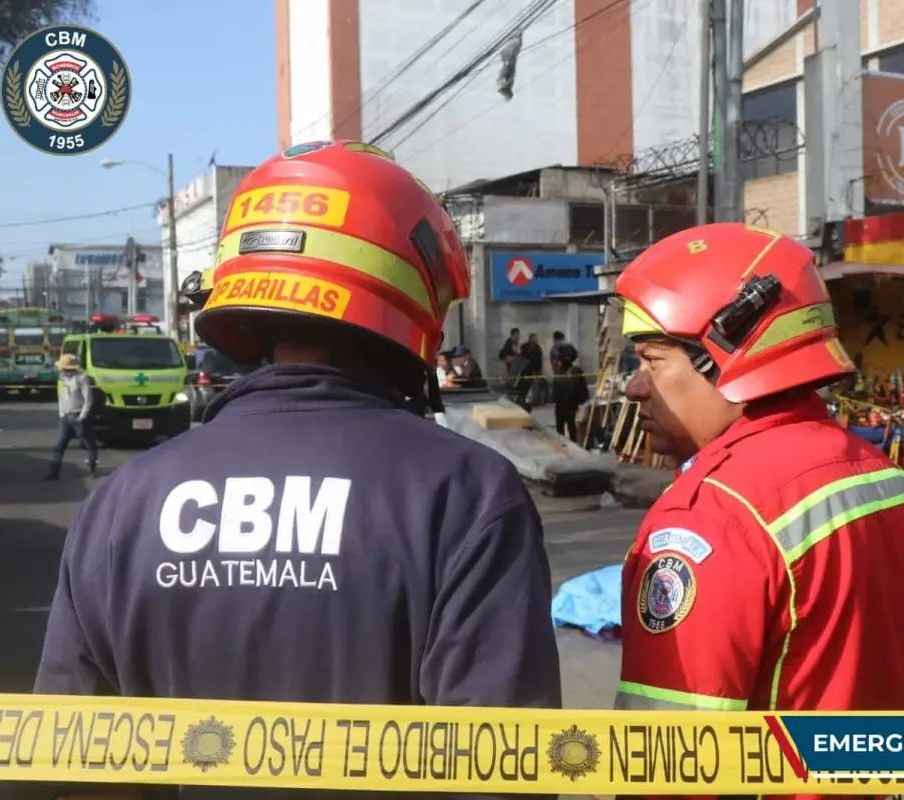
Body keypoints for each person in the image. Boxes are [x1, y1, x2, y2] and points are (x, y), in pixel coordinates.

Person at [32, 142, 562, 799]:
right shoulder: (468, 495)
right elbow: (502, 771)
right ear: (416, 293)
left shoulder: (120, 504)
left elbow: (68, 764)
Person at [612, 224, 904, 798]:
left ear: (724, 359)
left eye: (653, 360)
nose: (634, 387)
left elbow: (670, 761)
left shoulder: (711, 515)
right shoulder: (881, 474)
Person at [43, 352, 98, 480]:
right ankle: (54, 473)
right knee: (59, 446)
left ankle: (91, 469)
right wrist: (62, 414)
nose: (61, 370)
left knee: (90, 444)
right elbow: (61, 398)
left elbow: (88, 399)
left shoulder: (82, 378)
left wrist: (82, 416)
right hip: (66, 417)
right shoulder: (62, 379)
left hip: (79, 415)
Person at [551, 354, 588, 443]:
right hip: (569, 404)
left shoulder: (565, 373)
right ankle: (571, 442)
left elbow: (558, 390)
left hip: (565, 404)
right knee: (570, 426)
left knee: (564, 426)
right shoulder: (572, 372)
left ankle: (565, 443)